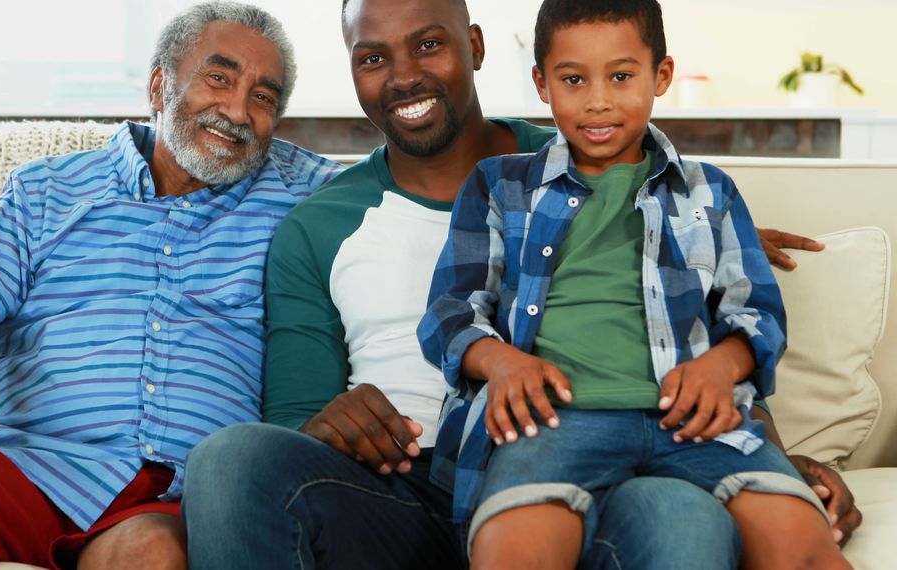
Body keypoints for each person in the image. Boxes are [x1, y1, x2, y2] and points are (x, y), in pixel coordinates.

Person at [181, 0, 859, 568]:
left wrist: (769, 456)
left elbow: (701, 299)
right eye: (374, 57)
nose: (404, 75)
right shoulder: (322, 222)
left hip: (612, 465)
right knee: (229, 460)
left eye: (429, 45)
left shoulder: (609, 159)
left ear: (473, 46)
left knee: (682, 514)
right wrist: (332, 425)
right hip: (414, 483)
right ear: (546, 81)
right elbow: (296, 417)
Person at [0, 3, 342, 569]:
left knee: (151, 555)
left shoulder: (308, 191)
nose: (237, 111)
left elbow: (416, 178)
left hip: (174, 492)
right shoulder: (45, 191)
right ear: (159, 85)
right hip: (23, 467)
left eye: (263, 97)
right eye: (219, 78)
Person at [416, 0, 853, 568]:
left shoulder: (710, 192)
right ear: (542, 84)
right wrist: (500, 362)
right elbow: (451, 309)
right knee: (512, 549)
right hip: (551, 422)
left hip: (696, 420)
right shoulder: (500, 186)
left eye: (622, 77)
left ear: (661, 76)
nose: (598, 99)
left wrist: (721, 366)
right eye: (573, 79)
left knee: (803, 545)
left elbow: (758, 313)